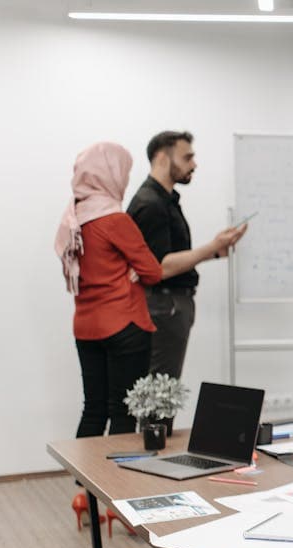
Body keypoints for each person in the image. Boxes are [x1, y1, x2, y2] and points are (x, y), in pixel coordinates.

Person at [55, 142, 163, 438]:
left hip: (86, 327)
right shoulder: (115, 220)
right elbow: (153, 272)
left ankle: (84, 484)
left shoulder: (73, 220)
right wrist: (133, 270)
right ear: (111, 175)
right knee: (123, 411)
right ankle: (114, 485)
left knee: (93, 409)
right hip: (124, 324)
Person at [127, 130, 247, 378]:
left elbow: (168, 257)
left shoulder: (164, 200)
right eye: (187, 157)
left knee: (161, 391)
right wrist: (211, 247)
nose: (194, 164)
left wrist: (214, 252)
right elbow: (159, 267)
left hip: (167, 306)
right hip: (163, 306)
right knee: (159, 393)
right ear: (162, 158)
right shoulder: (151, 204)